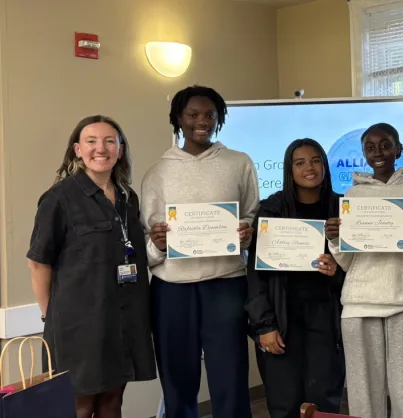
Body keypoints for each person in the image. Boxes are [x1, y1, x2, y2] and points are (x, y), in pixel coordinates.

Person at [141, 85, 259, 418]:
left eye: (209, 114)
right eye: (192, 114)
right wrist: (158, 244)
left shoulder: (239, 163)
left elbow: (250, 214)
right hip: (172, 290)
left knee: (231, 378)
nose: (201, 121)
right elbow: (146, 240)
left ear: (219, 118)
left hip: (226, 283)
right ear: (178, 118)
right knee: (178, 381)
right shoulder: (157, 172)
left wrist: (247, 234)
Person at [27, 115, 157, 418]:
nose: (102, 148)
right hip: (78, 327)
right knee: (81, 409)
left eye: (110, 141)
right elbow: (37, 262)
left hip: (124, 321)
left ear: (120, 150)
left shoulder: (128, 198)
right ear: (77, 149)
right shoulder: (59, 198)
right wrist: (51, 317)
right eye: (92, 141)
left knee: (113, 403)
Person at [325, 123, 403, 418]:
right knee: (362, 392)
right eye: (370, 148)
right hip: (359, 302)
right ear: (363, 154)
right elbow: (348, 261)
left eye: (385, 145)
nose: (378, 153)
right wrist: (335, 238)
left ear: (398, 149)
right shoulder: (352, 195)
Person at [246, 138, 346, 418]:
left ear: (325, 166)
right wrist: (264, 325)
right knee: (284, 402)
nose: (309, 168)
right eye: (299, 163)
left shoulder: (343, 209)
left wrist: (337, 270)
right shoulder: (271, 210)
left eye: (315, 160)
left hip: (327, 319)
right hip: (281, 317)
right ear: (289, 170)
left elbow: (358, 270)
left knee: (324, 400)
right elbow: (256, 275)